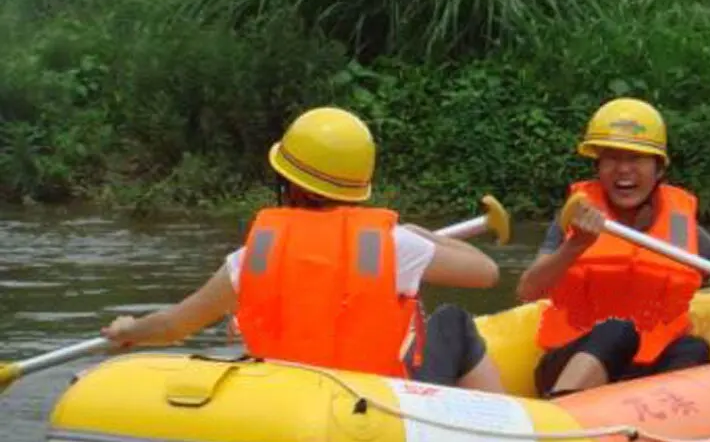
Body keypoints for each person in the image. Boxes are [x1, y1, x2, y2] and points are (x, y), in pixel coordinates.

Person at [103, 107, 505, 391]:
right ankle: (503, 441)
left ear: (289, 183)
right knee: (453, 322)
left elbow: (175, 324)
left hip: (286, 401)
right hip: (371, 406)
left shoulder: (253, 258)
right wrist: (422, 233)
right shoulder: (393, 244)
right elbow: (486, 272)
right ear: (359, 184)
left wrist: (130, 330)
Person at [517, 97, 710, 398]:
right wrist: (576, 246)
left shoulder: (679, 228)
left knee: (693, 348)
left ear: (659, 169)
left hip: (646, 372)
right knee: (617, 330)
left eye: (636, 159)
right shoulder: (575, 219)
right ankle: (561, 405)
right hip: (571, 362)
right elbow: (528, 290)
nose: (623, 170)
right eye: (612, 158)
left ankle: (665, 424)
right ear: (598, 166)